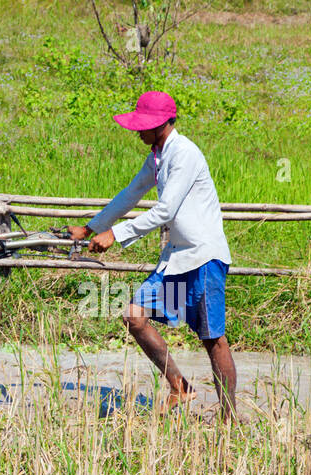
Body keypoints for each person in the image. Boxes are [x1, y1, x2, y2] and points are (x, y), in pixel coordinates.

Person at [68, 91, 236, 420]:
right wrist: (90, 228)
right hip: (176, 257)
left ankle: (230, 420)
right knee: (134, 315)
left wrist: (115, 234)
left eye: (142, 126)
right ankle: (179, 387)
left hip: (203, 259)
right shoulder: (158, 155)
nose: (137, 132)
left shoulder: (185, 154)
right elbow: (131, 193)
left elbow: (165, 210)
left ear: (161, 124)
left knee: (212, 339)